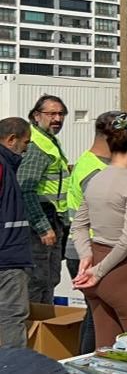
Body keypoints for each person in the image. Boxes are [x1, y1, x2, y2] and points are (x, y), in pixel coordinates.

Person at [70, 113, 127, 347]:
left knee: (106, 350)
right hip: (126, 272)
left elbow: (78, 226)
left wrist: (86, 257)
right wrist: (98, 271)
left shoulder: (96, 179)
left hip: (97, 261)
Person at [64, 111, 119, 355]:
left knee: (97, 315)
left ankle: (85, 361)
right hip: (91, 250)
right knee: (99, 317)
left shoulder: (97, 164)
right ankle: (86, 363)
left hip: (89, 248)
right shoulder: (94, 171)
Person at [17, 95, 70, 304]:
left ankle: (44, 321)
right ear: (36, 116)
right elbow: (25, 189)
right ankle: (34, 323)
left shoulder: (48, 141)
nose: (57, 118)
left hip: (53, 219)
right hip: (40, 222)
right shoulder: (36, 146)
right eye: (51, 114)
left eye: (61, 114)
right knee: (38, 281)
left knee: (50, 278)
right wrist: (42, 227)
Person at [0, 117, 33, 349]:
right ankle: (14, 365)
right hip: (7, 257)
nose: (26, 149)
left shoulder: (7, 166)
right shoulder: (3, 166)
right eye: (25, 142)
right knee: (12, 317)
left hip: (8, 253)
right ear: (12, 139)